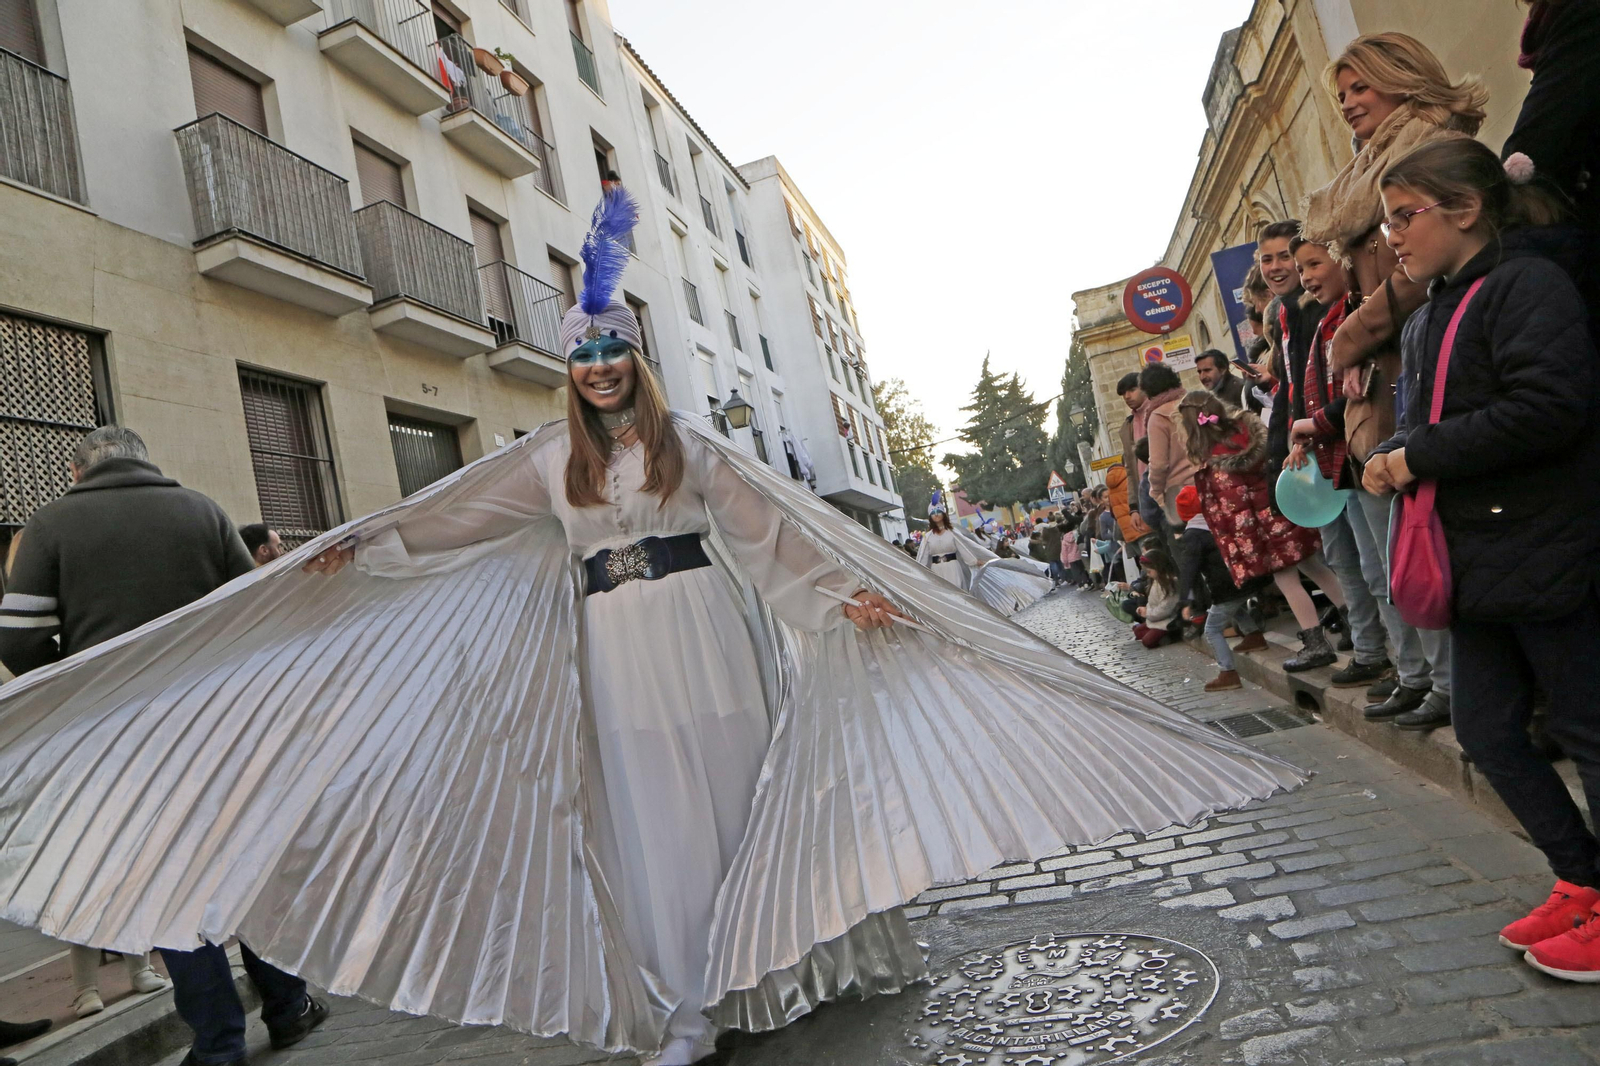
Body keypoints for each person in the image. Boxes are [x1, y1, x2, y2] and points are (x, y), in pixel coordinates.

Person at [0, 188, 1305, 1066]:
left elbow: (774, 536)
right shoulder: (543, 469)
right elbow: (447, 521)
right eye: (583, 356)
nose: (601, 369)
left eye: (615, 350)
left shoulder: (693, 451)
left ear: (638, 358)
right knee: (658, 817)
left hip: (708, 636)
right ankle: (689, 999)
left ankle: (768, 957)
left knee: (740, 797)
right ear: (568, 371)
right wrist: (356, 546)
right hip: (617, 654)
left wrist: (837, 595)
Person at [0, 425, 327, 1066]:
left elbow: (16, 639)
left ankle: (217, 1043)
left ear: (76, 471)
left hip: (117, 741)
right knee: (240, 865)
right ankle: (289, 1008)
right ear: (148, 463)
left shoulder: (50, 525)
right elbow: (253, 611)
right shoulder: (203, 510)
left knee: (166, 883)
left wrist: (78, 680)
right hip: (215, 728)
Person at [1360, 138, 1600, 980]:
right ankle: (1581, 879)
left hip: (1545, 541)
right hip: (1478, 557)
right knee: (1486, 728)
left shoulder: (1527, 284)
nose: (1392, 235)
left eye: (1404, 216)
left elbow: (1548, 407)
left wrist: (1417, 455)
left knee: (1584, 727)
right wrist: (1389, 451)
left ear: (1464, 210)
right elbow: (1435, 417)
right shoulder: (1431, 310)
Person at [1284, 235, 1394, 688]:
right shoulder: (1321, 320)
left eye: (1313, 264)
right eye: (1301, 267)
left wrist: (1315, 426)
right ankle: (1383, 657)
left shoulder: (1353, 314)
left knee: (1384, 570)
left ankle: (1418, 673)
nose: (1305, 276)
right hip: (1337, 461)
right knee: (1356, 565)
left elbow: (1351, 397)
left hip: (1365, 455)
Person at [1177, 390, 1347, 672]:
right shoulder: (1250, 430)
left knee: (1287, 581)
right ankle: (1354, 622)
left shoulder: (1218, 460)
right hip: (1285, 511)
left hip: (1266, 530)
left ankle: (1316, 643)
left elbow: (1236, 511)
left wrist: (1246, 549)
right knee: (1315, 567)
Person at [1502, 0, 1600, 318]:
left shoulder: (1579, 12)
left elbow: (1537, 149)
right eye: (1341, 96)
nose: (1349, 105)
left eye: (1360, 88)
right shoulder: (1553, 22)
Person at [1173, 485, 1268, 692]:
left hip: (1225, 587)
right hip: (1247, 579)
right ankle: (1253, 635)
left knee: (1212, 629)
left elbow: (1189, 570)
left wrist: (1185, 601)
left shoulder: (1193, 536)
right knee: (1235, 605)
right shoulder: (1218, 521)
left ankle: (1228, 673)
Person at [1141, 362, 1198, 531]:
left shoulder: (1158, 417)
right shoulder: (1194, 404)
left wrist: (1156, 492)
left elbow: (1158, 463)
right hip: (1208, 480)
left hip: (1181, 491)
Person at [1130, 547, 1181, 648]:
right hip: (1156, 617)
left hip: (1168, 619)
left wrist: (1148, 613)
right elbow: (1151, 601)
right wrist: (1146, 610)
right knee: (1137, 631)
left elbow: (1166, 608)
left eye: (1149, 571)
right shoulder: (1155, 581)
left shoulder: (1170, 583)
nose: (1148, 575)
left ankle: (1172, 635)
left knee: (1147, 641)